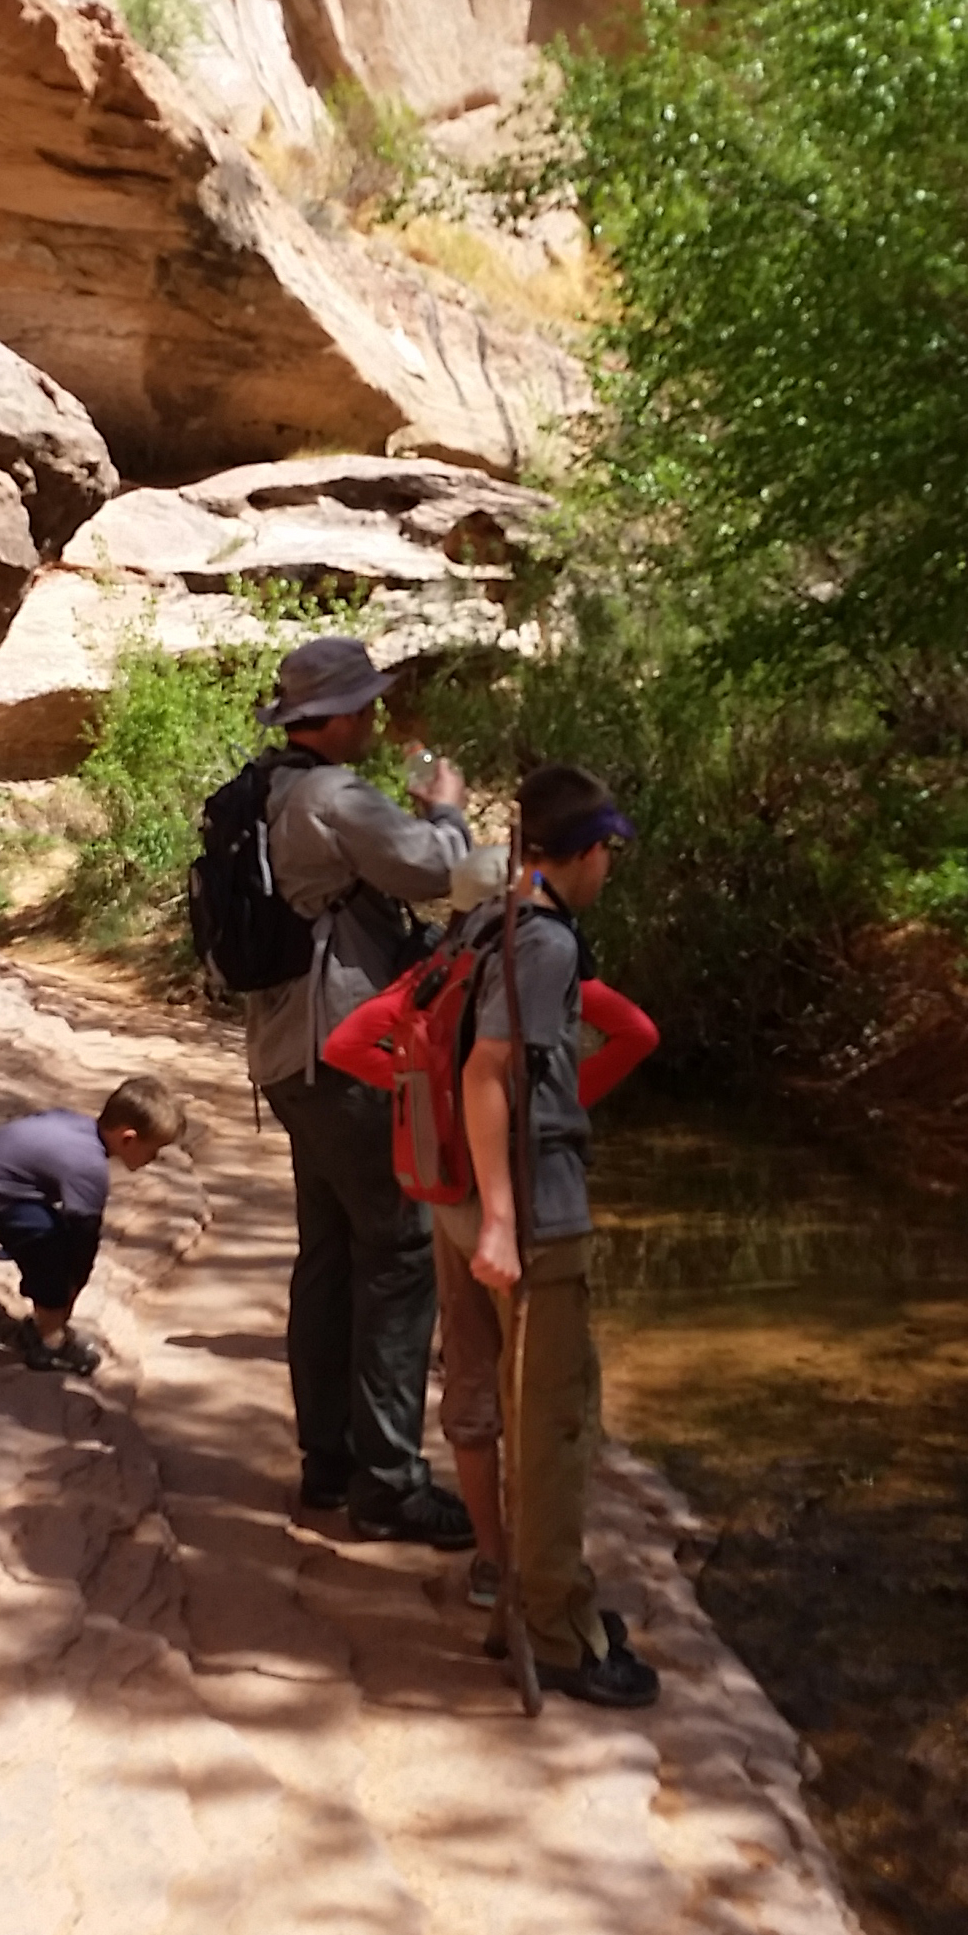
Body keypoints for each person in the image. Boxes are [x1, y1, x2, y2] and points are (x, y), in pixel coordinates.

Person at [246, 634, 505, 1545]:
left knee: (328, 1257)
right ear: (343, 715)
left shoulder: (271, 788)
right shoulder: (331, 794)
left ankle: (331, 1465)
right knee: (395, 1253)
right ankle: (388, 1484)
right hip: (346, 1055)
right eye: (368, 708)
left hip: (288, 1057)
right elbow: (445, 877)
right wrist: (450, 814)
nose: (375, 721)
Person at [323, 951, 657, 1613]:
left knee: (473, 1377)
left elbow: (343, 1043)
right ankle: (542, 1583)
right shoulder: (538, 963)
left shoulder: (434, 974)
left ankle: (491, 1560)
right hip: (519, 1198)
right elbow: (638, 1034)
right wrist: (568, 1100)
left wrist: (423, 1095)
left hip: (451, 1197)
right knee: (544, 1394)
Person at [462, 763, 662, 1708]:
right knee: (554, 1428)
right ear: (586, 853)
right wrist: (504, 1219)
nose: (607, 871)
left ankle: (538, 1603)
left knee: (515, 1413)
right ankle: (560, 1633)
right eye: (607, 854)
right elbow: (488, 1072)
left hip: (467, 1198)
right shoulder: (542, 942)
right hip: (533, 1217)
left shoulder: (484, 919)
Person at [0, 1073, 187, 1374]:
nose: (154, 1158)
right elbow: (84, 1243)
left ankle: (44, 1317)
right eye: (154, 1150)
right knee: (52, 1252)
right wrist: (67, 1291)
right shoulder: (89, 1167)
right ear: (129, 1138)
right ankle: (49, 1343)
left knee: (52, 1240)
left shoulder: (79, 1127)